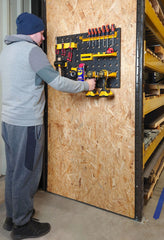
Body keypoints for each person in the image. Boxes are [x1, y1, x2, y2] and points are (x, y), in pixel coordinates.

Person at [0, 12, 96, 240]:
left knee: (13, 171)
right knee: (26, 173)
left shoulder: (6, 51)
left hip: (8, 121)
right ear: (34, 32)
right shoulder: (33, 52)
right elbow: (57, 81)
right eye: (42, 33)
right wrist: (85, 85)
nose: (43, 37)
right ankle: (22, 226)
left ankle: (12, 217)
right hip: (26, 125)